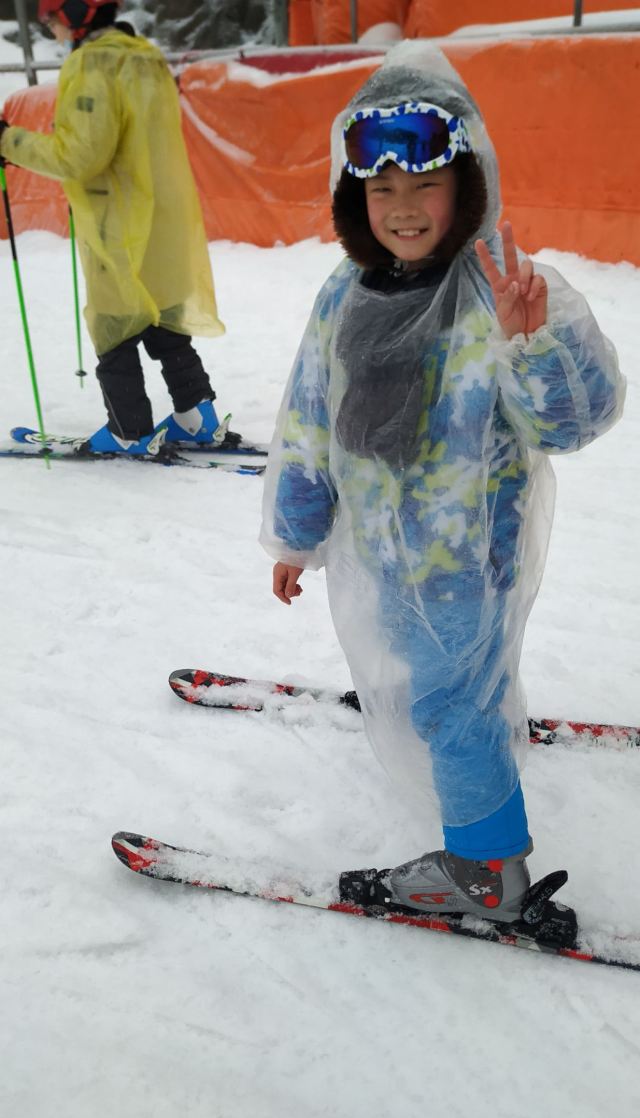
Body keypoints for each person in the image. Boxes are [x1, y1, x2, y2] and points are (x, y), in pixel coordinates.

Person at [259, 42, 625, 924]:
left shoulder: (496, 289)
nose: (403, 207)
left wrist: (534, 341)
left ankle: (486, 869)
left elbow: (572, 421)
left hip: (467, 560)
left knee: (453, 700)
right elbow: (310, 418)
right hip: (383, 553)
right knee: (446, 688)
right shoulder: (344, 294)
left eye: (425, 185)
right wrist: (297, 533)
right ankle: (478, 750)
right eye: (381, 188)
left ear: (467, 185)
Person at [0, 1, 237, 456]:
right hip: (161, 213)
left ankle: (128, 430)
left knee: (114, 321)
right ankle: (195, 415)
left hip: (117, 215)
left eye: (51, 19)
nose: (50, 29)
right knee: (161, 312)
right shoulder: (144, 55)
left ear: (74, 14)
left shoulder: (92, 63)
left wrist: (9, 141)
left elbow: (80, 157)